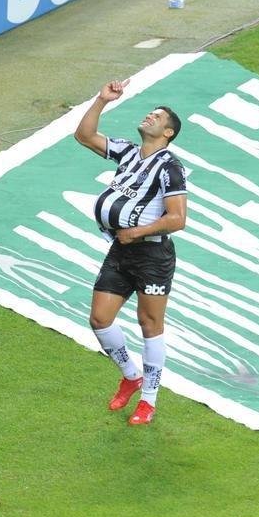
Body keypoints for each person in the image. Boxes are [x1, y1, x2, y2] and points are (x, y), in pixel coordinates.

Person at [74, 79, 187, 426]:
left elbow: (177, 219)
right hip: (121, 251)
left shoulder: (169, 167)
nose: (149, 117)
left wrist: (138, 231)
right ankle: (131, 375)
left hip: (152, 256)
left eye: (157, 117)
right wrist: (101, 100)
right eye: (149, 113)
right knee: (99, 319)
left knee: (149, 324)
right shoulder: (127, 151)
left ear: (167, 133)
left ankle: (149, 400)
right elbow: (84, 135)